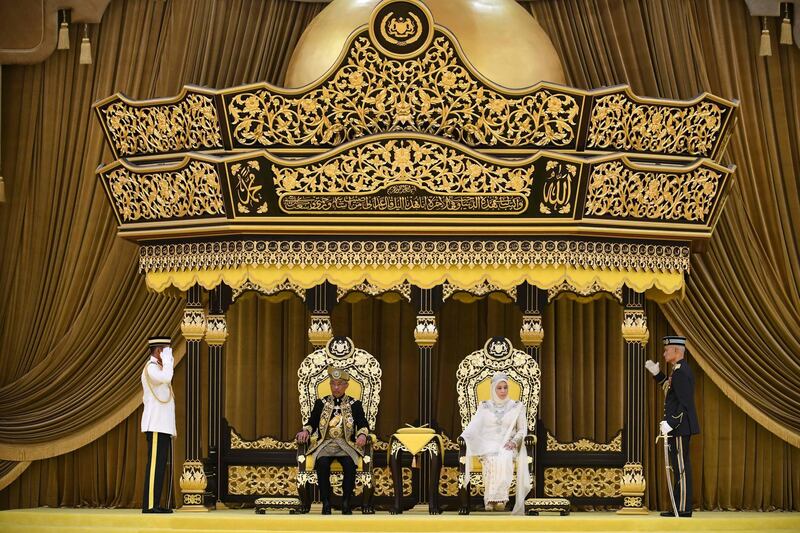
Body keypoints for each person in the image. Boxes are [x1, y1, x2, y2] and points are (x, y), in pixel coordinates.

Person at [295, 367, 369, 515]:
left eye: (339, 384)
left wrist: (362, 435)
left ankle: (346, 503)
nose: (336, 387)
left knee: (349, 464)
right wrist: (305, 431)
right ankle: (326, 503)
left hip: (346, 445)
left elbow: (363, 424)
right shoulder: (321, 403)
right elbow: (312, 422)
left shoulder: (355, 404)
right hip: (325, 444)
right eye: (333, 384)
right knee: (322, 464)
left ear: (346, 385)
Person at [460, 372, 531, 514]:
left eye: (505, 387)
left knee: (503, 456)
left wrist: (514, 442)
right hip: (487, 444)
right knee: (492, 457)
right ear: (493, 389)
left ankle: (499, 500)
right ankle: (491, 499)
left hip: (508, 444)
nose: (503, 391)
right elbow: (475, 427)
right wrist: (465, 436)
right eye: (499, 388)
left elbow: (522, 430)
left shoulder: (517, 406)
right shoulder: (484, 406)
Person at [645, 335, 700, 518]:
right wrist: (657, 374)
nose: (664, 352)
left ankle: (683, 508)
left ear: (676, 351)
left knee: (681, 468)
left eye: (667, 350)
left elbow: (684, 403)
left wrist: (671, 423)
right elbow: (671, 391)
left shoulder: (681, 372)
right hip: (678, 427)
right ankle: (678, 506)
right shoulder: (678, 370)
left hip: (680, 427)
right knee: (677, 468)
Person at [141, 336, 176, 514]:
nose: (169, 354)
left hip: (162, 426)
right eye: (166, 350)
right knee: (154, 465)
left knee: (160, 465)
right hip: (155, 425)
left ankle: (155, 503)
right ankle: (149, 505)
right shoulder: (151, 368)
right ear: (158, 351)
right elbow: (167, 377)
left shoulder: (159, 369)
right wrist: (168, 361)